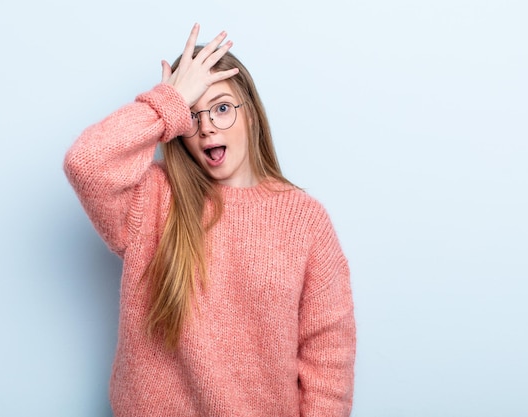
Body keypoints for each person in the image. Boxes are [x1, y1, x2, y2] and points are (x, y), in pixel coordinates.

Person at [64, 23, 356, 417]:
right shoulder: (152, 198)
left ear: (250, 114)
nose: (207, 128)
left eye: (221, 108)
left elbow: (328, 356)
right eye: (192, 114)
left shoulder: (305, 219)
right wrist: (168, 101)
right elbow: (86, 163)